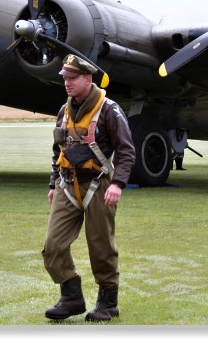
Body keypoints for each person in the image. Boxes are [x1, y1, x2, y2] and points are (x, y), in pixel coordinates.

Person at [43, 54, 135, 322]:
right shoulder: (64, 111)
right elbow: (57, 150)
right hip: (67, 184)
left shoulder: (109, 110)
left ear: (87, 78)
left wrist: (118, 184)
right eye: (65, 79)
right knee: (52, 246)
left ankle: (108, 302)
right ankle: (71, 296)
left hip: (99, 185)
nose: (67, 83)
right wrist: (53, 183)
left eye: (72, 78)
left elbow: (126, 151)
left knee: (100, 246)